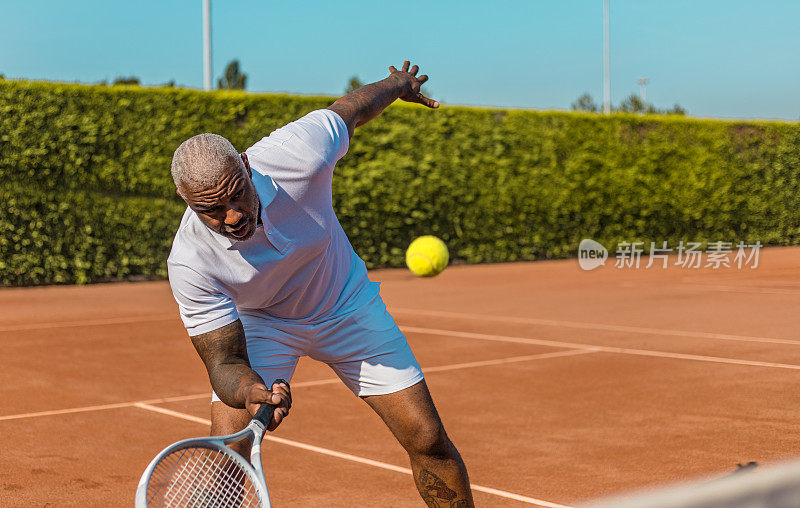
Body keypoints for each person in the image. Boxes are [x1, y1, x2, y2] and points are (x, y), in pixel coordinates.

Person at [167, 61, 473, 506]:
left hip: (346, 303)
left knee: (427, 439)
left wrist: (397, 84)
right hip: (264, 322)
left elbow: (351, 109)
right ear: (187, 202)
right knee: (230, 450)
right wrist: (251, 391)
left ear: (248, 166)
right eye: (212, 210)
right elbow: (224, 360)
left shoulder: (298, 154)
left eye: (237, 194)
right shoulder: (190, 262)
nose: (231, 216)